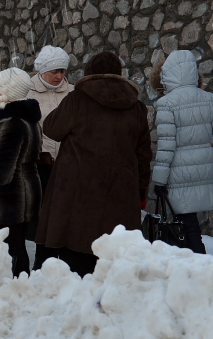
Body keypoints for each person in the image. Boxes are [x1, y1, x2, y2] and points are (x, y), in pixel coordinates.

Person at [35, 51, 152, 277]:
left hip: (77, 197)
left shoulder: (76, 100)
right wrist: (141, 195)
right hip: (120, 197)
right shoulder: (136, 107)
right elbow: (143, 156)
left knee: (75, 267)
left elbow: (51, 128)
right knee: (112, 267)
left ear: (89, 72)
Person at [0, 68, 42, 277]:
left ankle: (14, 290)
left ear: (7, 92)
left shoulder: (10, 123)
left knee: (9, 250)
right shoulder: (28, 119)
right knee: (16, 244)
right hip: (24, 192)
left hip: (10, 198)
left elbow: (0, 170)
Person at [150, 49, 213, 254]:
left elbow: (166, 146)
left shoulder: (166, 104)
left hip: (180, 173)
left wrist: (159, 181)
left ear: (167, 74)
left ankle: (199, 268)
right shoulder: (209, 98)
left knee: (188, 226)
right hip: (206, 169)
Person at [26, 45, 74, 269]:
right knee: (43, 217)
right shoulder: (28, 92)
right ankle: (42, 262)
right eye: (54, 71)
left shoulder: (73, 93)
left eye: (62, 71)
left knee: (65, 215)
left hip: (66, 164)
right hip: (40, 165)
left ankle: (64, 262)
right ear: (42, 70)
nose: (59, 76)